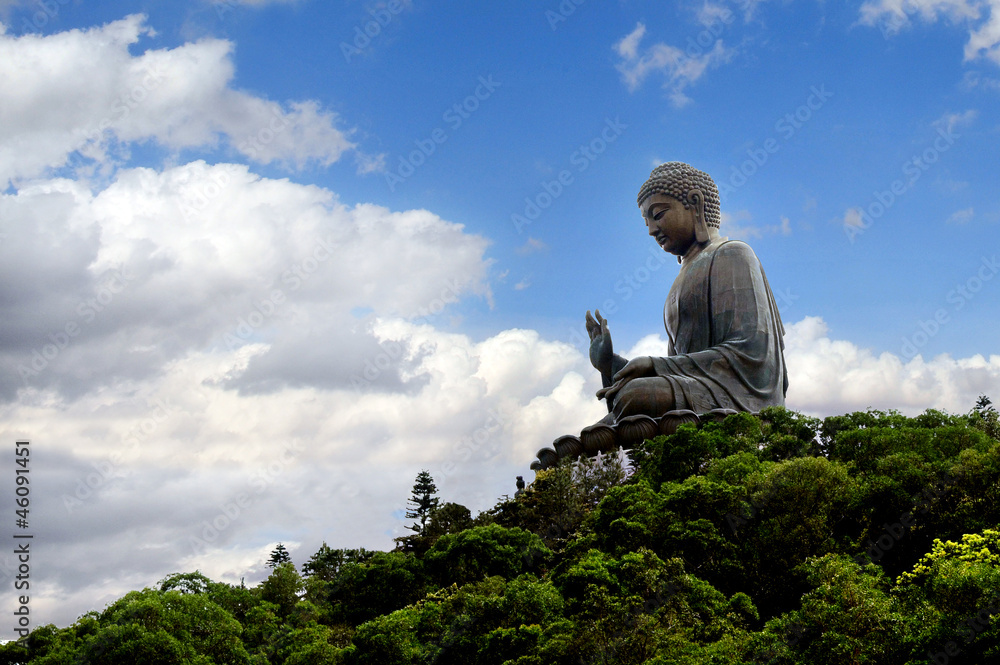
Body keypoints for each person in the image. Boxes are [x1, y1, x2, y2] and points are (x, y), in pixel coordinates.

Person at [587, 162, 787, 421]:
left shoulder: (733, 254)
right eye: (647, 222)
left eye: (658, 215)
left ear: (695, 203)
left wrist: (654, 365)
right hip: (696, 391)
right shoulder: (680, 280)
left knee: (634, 396)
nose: (652, 230)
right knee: (622, 403)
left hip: (737, 396)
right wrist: (610, 364)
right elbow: (677, 370)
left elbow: (752, 353)